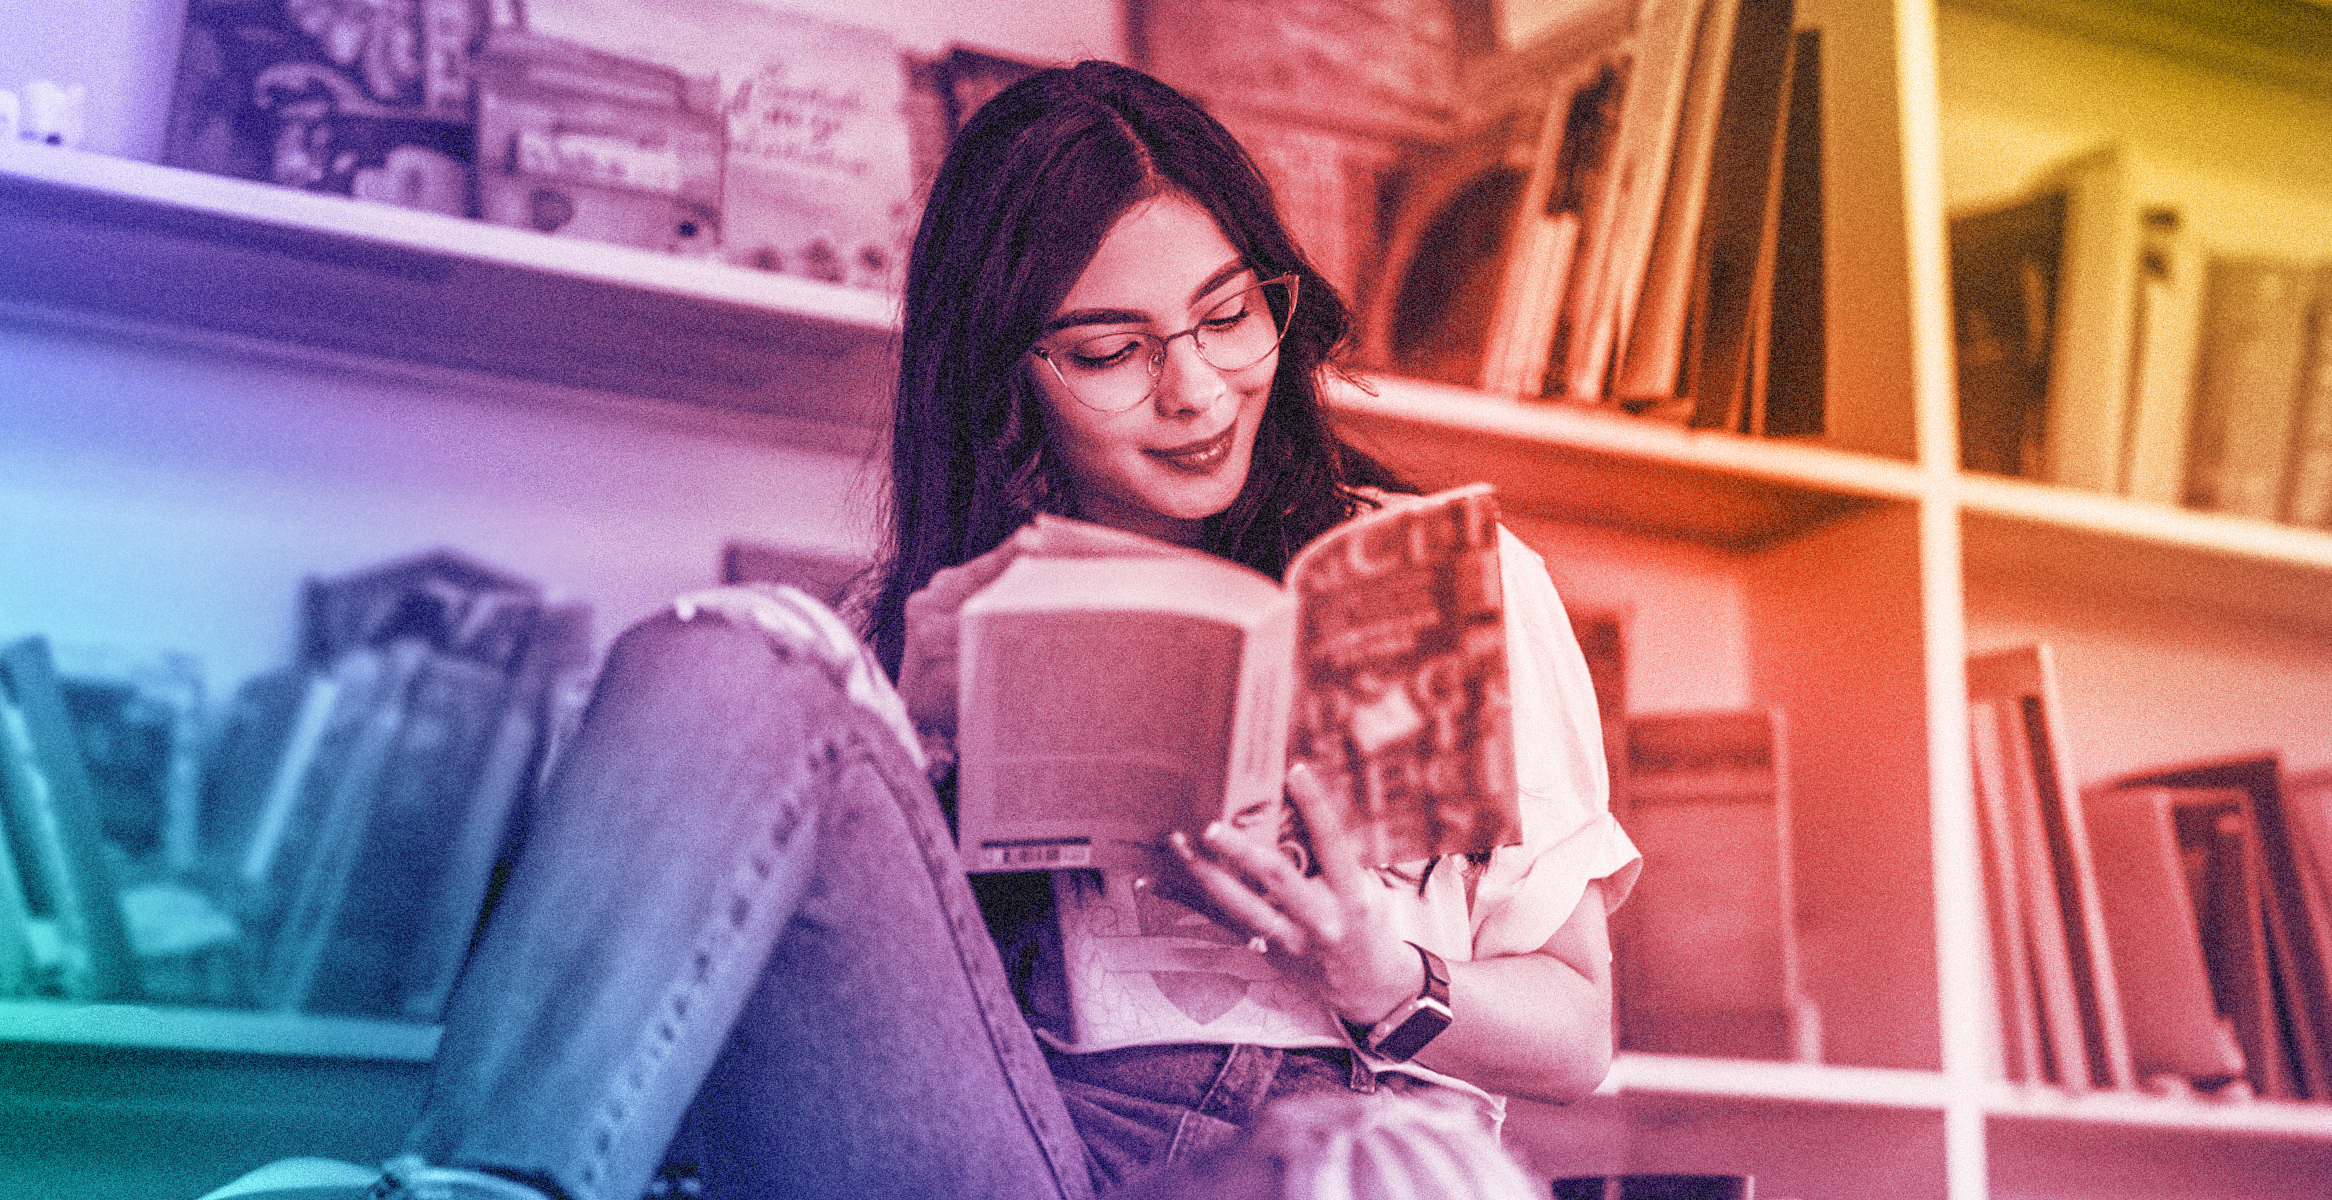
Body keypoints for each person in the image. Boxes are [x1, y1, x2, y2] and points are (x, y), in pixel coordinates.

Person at [215, 59, 1635, 1200]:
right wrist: (928, 791)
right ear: (1007, 373)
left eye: (1228, 318)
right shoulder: (905, 635)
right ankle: (481, 1188)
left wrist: (1383, 975)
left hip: (1316, 1147)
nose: (1197, 392)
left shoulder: (1452, 585)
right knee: (741, 648)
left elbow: (1580, 1031)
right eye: (1110, 352)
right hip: (1008, 1136)